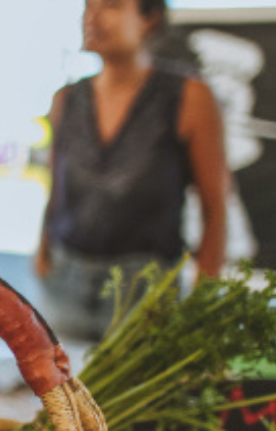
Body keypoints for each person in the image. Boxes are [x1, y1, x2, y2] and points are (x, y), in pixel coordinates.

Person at [36, 0, 227, 340]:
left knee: (137, 375)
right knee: (56, 374)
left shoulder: (189, 96)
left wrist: (202, 299)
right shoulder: (66, 97)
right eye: (88, 6)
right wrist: (43, 250)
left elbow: (214, 208)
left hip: (146, 290)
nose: (93, 17)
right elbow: (56, 186)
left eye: (111, 6)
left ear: (149, 18)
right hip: (65, 278)